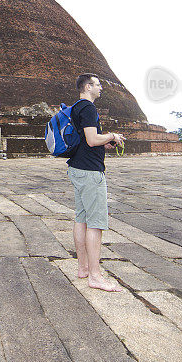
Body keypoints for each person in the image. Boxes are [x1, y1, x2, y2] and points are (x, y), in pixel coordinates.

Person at [68, 73, 125, 292]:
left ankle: (83, 267)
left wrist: (105, 142)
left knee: (81, 218)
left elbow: (87, 140)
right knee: (95, 223)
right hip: (90, 172)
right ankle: (95, 276)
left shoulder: (76, 107)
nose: (101, 88)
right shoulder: (89, 108)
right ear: (88, 86)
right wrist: (111, 136)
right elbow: (92, 139)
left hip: (78, 168)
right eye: (98, 85)